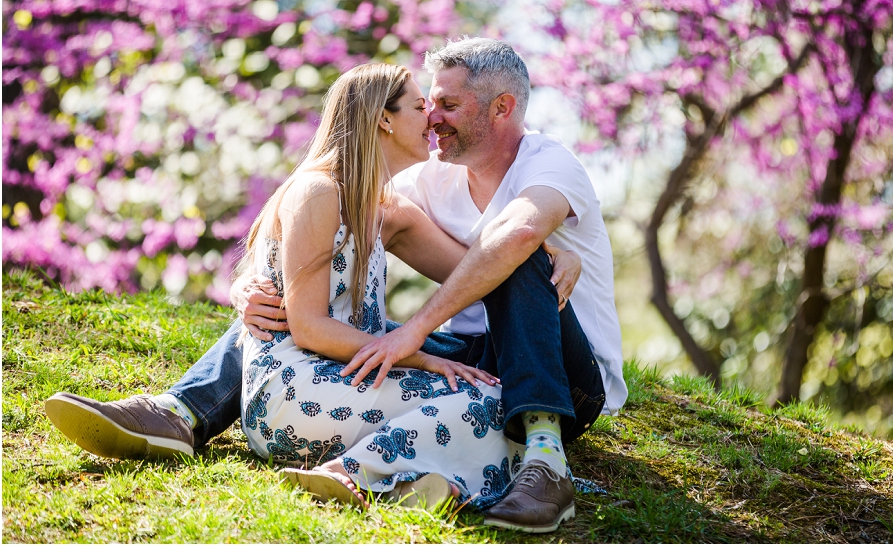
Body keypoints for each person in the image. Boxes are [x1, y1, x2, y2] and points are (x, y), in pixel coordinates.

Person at [46, 38, 626, 533]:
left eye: (447, 104)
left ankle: (546, 459)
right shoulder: (419, 178)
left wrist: (528, 255)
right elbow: (310, 233)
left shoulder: (550, 163)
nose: (433, 118)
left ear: (501, 108)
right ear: (383, 119)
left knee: (513, 254)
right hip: (481, 354)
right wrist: (249, 284)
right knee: (375, 325)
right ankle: (182, 411)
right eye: (426, 104)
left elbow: (516, 234)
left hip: (560, 372)